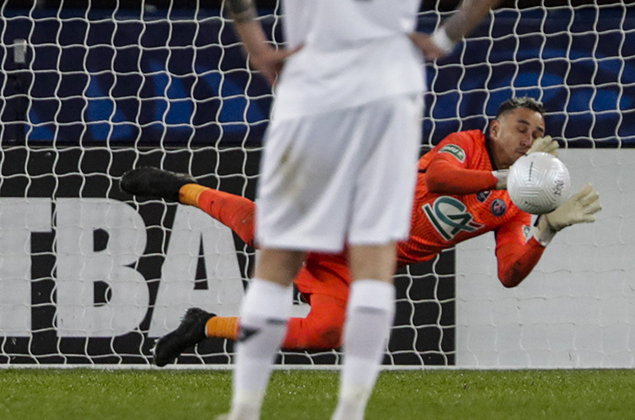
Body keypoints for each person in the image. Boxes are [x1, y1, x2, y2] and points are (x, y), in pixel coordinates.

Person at [210, 0, 513, 420]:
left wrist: (260, 48)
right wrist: (442, 38)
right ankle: (349, 412)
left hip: (312, 90)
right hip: (388, 92)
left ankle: (245, 410)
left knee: (280, 255)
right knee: (375, 259)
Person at [121, 98, 600, 365]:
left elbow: (509, 274)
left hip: (364, 263)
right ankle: (178, 187)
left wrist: (546, 231)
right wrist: (504, 178)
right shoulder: (464, 145)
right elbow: (439, 181)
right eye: (521, 128)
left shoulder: (515, 205)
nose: (529, 140)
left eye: (537, 135)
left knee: (327, 332)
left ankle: (202, 326)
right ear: (493, 128)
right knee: (261, 232)